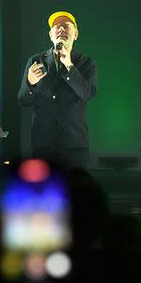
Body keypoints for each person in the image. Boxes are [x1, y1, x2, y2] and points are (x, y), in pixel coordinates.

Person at [18, 11, 97, 169]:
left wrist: (69, 65)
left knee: (76, 192)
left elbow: (87, 93)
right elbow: (23, 100)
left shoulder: (86, 63)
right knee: (45, 193)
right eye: (56, 26)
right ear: (50, 34)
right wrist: (30, 82)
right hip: (43, 144)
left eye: (66, 26)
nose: (61, 29)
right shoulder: (35, 61)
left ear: (76, 34)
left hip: (74, 145)